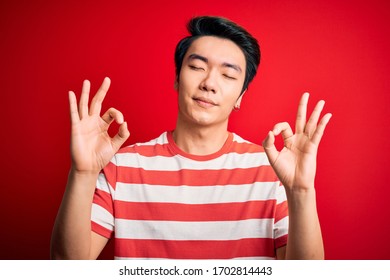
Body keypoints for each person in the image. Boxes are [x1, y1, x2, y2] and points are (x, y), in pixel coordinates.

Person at [50, 16, 331, 260]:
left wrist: (301, 192)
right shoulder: (122, 166)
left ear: (241, 97)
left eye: (228, 75)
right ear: (176, 78)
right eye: (196, 67)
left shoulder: (273, 170)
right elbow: (67, 265)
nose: (209, 83)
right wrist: (83, 172)